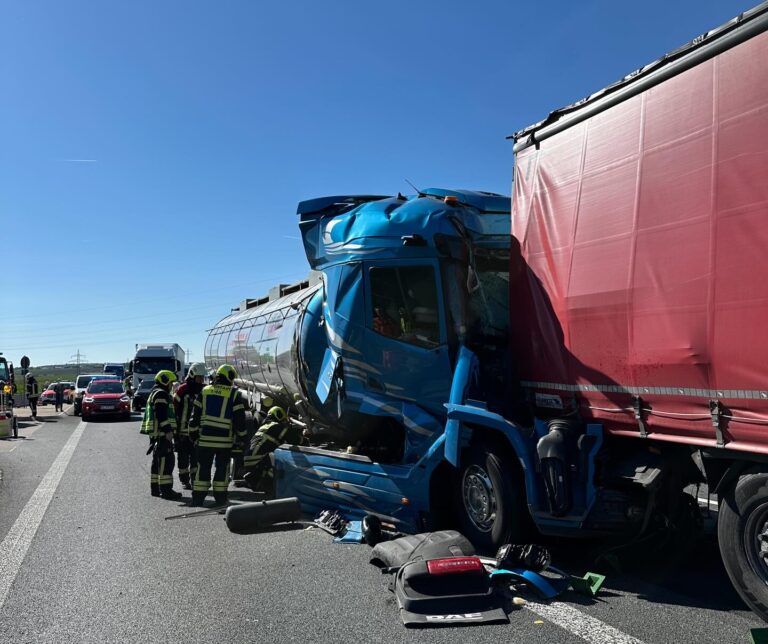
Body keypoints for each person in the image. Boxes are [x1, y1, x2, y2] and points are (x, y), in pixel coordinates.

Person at [188, 364, 246, 507]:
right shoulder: (234, 394)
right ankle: (220, 499)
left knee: (202, 468)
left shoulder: (205, 391)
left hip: (205, 440)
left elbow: (194, 416)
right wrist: (242, 437)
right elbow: (240, 420)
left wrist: (193, 434)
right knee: (222, 470)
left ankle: (198, 499)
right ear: (229, 378)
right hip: (224, 442)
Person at [242, 406, 306, 495]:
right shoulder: (275, 426)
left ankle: (254, 479)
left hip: (250, 459)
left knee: (272, 458)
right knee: (280, 460)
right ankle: (267, 485)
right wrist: (304, 439)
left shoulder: (265, 426)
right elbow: (292, 438)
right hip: (258, 459)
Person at [140, 370, 182, 500]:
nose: (172, 385)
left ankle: (155, 489)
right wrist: (168, 430)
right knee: (166, 462)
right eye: (171, 382)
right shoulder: (161, 394)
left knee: (157, 462)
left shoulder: (155, 392)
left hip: (157, 433)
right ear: (165, 381)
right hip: (162, 433)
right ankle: (166, 490)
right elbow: (161, 414)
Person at [172, 362, 207, 490]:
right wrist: (174, 430)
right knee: (182, 459)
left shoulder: (204, 390)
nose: (201, 380)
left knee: (196, 458)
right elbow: (174, 407)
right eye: (199, 377)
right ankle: (184, 480)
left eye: (203, 377)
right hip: (182, 432)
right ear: (192, 375)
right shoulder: (182, 389)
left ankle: (194, 480)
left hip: (196, 432)